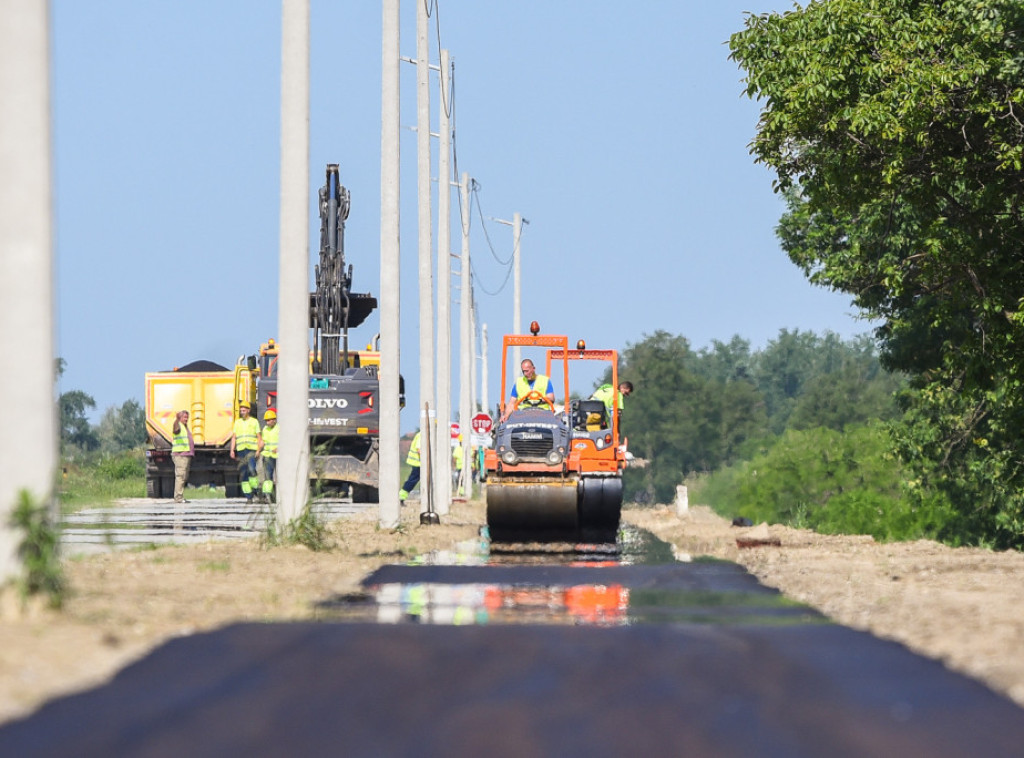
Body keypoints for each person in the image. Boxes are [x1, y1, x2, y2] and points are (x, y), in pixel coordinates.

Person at [230, 402, 262, 503]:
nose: (242, 412)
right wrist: (232, 450)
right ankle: (249, 497)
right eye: (241, 410)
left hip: (251, 450)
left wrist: (258, 450)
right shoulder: (237, 422)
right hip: (241, 450)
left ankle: (256, 490)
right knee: (243, 473)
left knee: (252, 470)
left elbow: (259, 438)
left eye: (244, 410)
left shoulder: (254, 422)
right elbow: (234, 437)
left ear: (248, 410)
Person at [171, 410, 194, 503]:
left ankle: (180, 496)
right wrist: (176, 419)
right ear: (180, 418)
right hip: (180, 455)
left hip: (185, 454)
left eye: (187, 417)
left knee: (183, 476)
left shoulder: (184, 427)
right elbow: (176, 430)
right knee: (180, 476)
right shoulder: (178, 425)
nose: (186, 419)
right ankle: (178, 498)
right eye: (184, 417)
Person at [257, 408, 279, 504]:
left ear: (274, 419)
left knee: (280, 477)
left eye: (269, 420)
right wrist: (258, 450)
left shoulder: (279, 428)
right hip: (267, 455)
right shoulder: (265, 429)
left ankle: (280, 496)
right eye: (266, 420)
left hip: (278, 455)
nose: (267, 422)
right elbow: (263, 442)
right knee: (268, 477)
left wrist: (279, 448)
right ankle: (267, 495)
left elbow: (285, 440)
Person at [399, 430, 421, 502]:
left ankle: (402, 495)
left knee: (413, 479)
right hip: (418, 462)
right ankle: (402, 496)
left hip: (419, 463)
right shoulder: (421, 435)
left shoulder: (421, 434)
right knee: (413, 479)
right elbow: (419, 449)